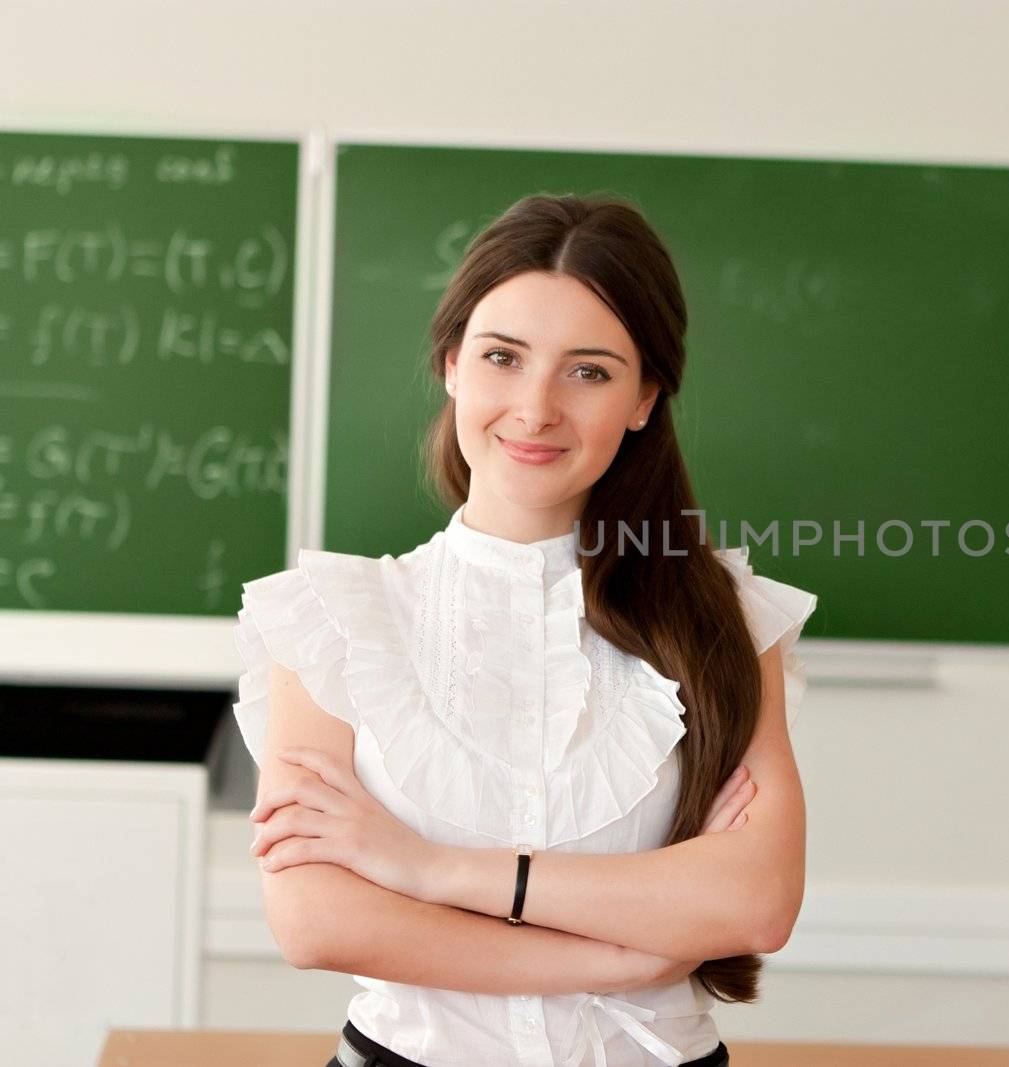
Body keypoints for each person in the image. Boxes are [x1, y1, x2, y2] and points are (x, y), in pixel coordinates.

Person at [229, 194, 819, 1067]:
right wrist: (622, 953)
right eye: (503, 357)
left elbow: (756, 901)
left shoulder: (723, 618)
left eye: (589, 371)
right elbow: (318, 919)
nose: (536, 408)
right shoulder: (332, 617)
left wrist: (428, 869)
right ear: (452, 365)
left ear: (645, 397)